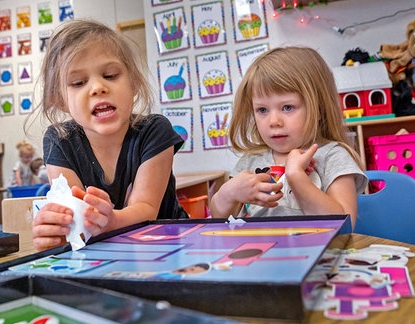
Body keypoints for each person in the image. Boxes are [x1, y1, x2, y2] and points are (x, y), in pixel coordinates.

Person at [32, 19, 187, 251]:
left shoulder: (155, 130)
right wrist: (58, 230)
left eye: (111, 75)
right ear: (60, 99)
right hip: (103, 254)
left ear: (134, 83)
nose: (97, 87)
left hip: (169, 245)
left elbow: (145, 208)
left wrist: (111, 221)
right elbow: (76, 218)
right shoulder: (59, 140)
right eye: (78, 82)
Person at [210, 46, 368, 229]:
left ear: (318, 108)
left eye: (287, 107)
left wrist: (296, 177)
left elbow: (344, 226)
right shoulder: (250, 162)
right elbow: (219, 220)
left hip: (321, 255)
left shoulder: (333, 156)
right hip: (263, 254)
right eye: (262, 110)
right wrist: (228, 195)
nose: (274, 121)